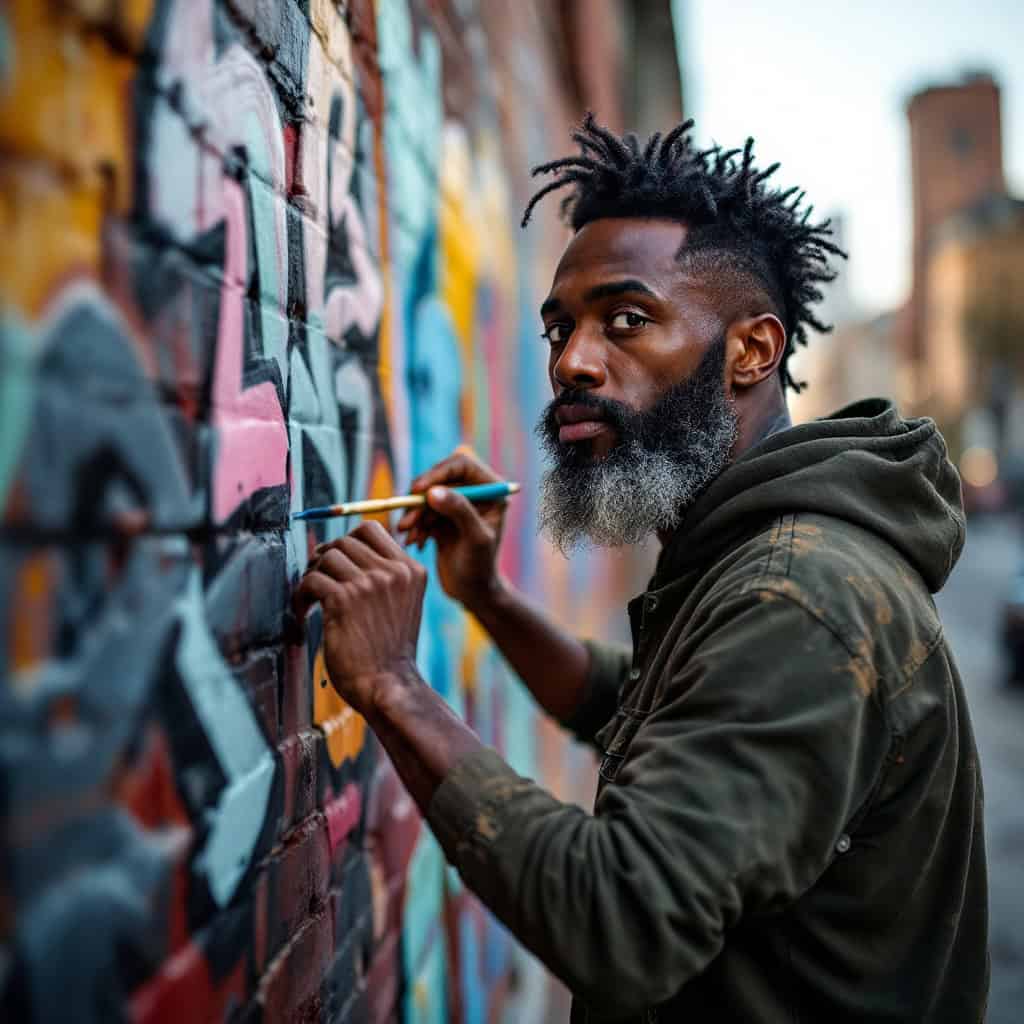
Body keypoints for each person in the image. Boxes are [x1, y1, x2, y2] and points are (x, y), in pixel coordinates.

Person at [292, 115, 988, 1022]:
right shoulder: (750, 553)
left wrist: (390, 684)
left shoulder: (798, 596)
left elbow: (620, 917)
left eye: (627, 320)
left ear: (753, 350)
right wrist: (487, 597)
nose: (573, 362)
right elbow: (630, 701)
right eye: (559, 330)